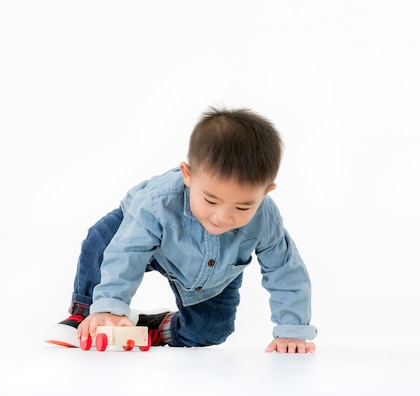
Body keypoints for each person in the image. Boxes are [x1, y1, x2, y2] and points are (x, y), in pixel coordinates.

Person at [44, 107, 317, 353]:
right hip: (143, 239)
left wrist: (291, 331)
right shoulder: (157, 202)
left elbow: (285, 270)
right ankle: (88, 314)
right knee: (102, 239)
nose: (222, 217)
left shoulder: (266, 218)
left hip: (211, 272)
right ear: (188, 175)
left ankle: (155, 327)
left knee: (208, 332)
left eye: (243, 207)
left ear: (266, 192)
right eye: (210, 200)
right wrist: (111, 305)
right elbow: (127, 252)